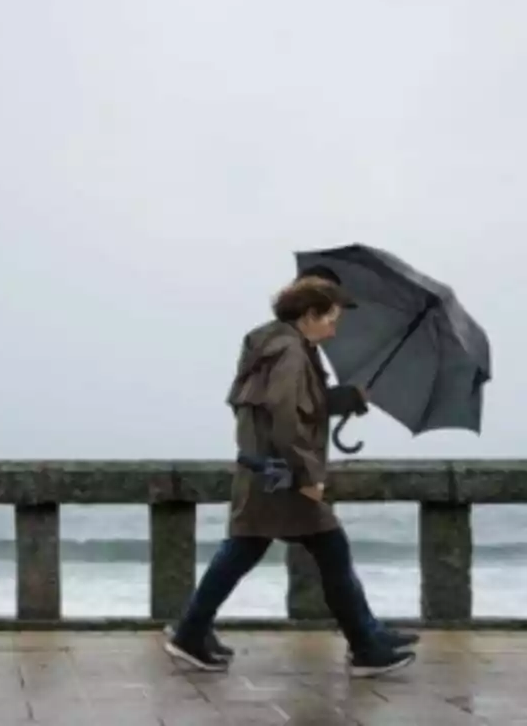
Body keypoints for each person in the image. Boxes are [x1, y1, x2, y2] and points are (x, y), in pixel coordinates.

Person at [164, 276, 417, 678]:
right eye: (330, 319)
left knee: (245, 550)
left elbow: (294, 406)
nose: (334, 330)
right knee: (328, 548)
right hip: (282, 477)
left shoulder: (273, 345)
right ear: (309, 315)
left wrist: (349, 398)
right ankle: (367, 645)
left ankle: (191, 632)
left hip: (264, 473)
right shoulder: (291, 354)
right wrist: (306, 474)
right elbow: (285, 419)